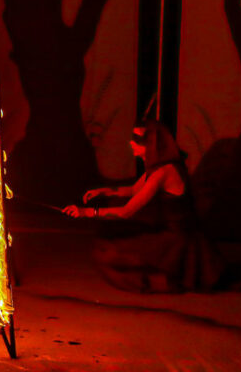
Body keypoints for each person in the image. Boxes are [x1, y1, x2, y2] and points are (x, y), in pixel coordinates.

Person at [63, 119, 225, 293]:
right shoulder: (159, 169)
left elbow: (126, 212)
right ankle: (162, 280)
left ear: (152, 144)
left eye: (138, 140)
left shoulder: (164, 172)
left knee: (107, 253)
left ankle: (161, 283)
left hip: (176, 240)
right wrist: (105, 191)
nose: (131, 143)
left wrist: (86, 212)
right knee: (107, 249)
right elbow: (134, 189)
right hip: (173, 235)